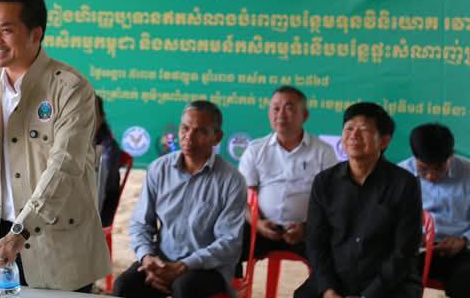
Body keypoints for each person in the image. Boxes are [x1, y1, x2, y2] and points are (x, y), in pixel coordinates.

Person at [0, 0, 110, 292]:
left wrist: (20, 231)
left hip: (55, 242)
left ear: (36, 34)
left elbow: (64, 167)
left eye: (6, 30)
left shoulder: (70, 89)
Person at [113, 101, 246, 298]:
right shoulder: (159, 169)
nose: (189, 137)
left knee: (184, 288)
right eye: (185, 128)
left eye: (200, 131)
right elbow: (141, 224)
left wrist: (183, 266)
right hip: (162, 261)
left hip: (207, 268)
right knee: (124, 285)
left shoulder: (232, 180)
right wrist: (147, 258)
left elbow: (229, 243)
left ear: (217, 137)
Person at [295, 102, 422, 298]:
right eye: (349, 129)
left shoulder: (405, 184)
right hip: (337, 279)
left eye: (363, 130)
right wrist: (328, 289)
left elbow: (404, 251)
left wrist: (368, 296)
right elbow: (315, 242)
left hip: (388, 283)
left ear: (384, 141)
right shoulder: (324, 182)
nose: (354, 135)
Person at [238, 86, 336, 267]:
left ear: (305, 116)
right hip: (262, 228)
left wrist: (306, 227)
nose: (281, 114)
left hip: (307, 230)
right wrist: (258, 224)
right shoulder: (255, 150)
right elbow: (242, 198)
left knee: (331, 253)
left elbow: (332, 200)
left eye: (289, 108)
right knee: (230, 245)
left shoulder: (323, 152)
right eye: (275, 108)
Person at [399, 123, 470, 297]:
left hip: (460, 252)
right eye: (423, 169)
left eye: (438, 169)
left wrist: (464, 240)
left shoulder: (468, 173)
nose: (431, 176)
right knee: (392, 276)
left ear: (450, 156)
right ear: (414, 156)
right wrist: (410, 237)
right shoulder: (399, 175)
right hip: (414, 251)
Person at [94, 95, 121, 227]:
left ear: (101, 118)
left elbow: (103, 187)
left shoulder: (109, 147)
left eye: (92, 115)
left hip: (101, 210)